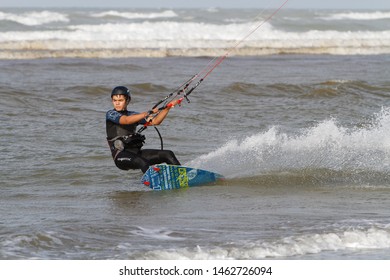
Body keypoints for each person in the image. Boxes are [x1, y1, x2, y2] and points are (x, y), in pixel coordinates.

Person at [106, 86, 181, 173]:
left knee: (167, 154)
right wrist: (147, 113)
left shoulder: (133, 114)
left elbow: (155, 121)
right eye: (115, 100)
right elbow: (126, 120)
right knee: (142, 162)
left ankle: (181, 176)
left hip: (136, 153)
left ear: (127, 101)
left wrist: (167, 108)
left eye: (120, 100)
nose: (117, 103)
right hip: (120, 156)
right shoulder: (111, 114)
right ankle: (155, 182)